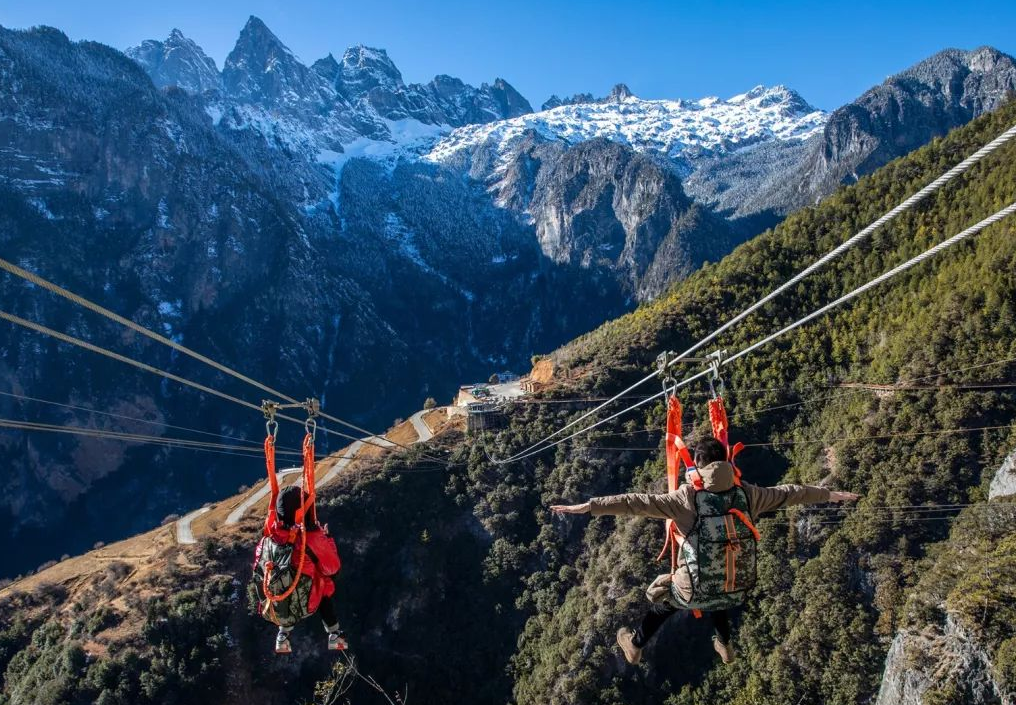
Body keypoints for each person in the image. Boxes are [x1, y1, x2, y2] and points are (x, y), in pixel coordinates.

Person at [550, 436, 859, 665]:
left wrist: (589, 507)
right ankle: (724, 643)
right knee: (717, 586)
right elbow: (793, 493)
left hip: (694, 590)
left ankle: (634, 644)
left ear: (697, 466)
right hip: (737, 587)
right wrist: (830, 494)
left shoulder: (685, 499)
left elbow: (634, 502)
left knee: (665, 599)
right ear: (725, 461)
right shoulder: (748, 495)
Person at [257, 484, 347, 654]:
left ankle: (283, 635)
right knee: (325, 580)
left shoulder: (267, 540)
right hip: (305, 604)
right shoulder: (309, 538)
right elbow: (333, 567)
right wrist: (327, 538)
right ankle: (334, 633)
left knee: (285, 579)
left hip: (274, 606)